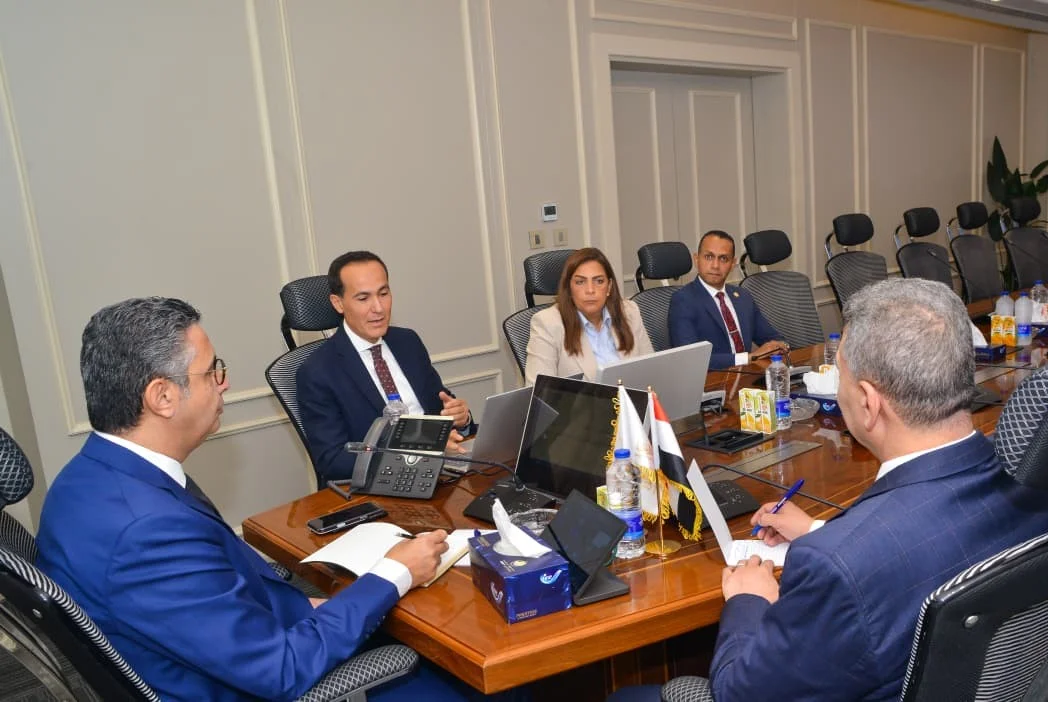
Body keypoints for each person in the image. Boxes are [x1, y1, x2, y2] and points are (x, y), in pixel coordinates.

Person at [612, 279, 1048, 702]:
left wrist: (748, 600)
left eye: (840, 375)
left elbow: (739, 693)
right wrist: (820, 530)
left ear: (867, 402)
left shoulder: (838, 566)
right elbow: (923, 540)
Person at [35, 297, 480, 701]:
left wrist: (317, 606)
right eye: (212, 370)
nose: (224, 383)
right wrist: (395, 571)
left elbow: (212, 598)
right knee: (475, 675)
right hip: (246, 681)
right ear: (162, 396)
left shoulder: (86, 480)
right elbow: (281, 670)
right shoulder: (147, 529)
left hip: (218, 648)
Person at [298, 251, 475, 485]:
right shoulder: (317, 372)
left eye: (383, 293)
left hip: (441, 474)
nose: (379, 308)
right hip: (382, 483)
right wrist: (422, 449)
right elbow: (333, 461)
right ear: (338, 303)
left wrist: (461, 418)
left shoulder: (407, 342)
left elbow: (441, 405)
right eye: (363, 298)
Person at [524, 247, 653, 384]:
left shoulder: (629, 311)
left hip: (631, 397)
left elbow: (651, 370)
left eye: (599, 281)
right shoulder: (547, 324)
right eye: (580, 282)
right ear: (569, 288)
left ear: (609, 287)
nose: (590, 290)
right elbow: (539, 392)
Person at [667, 230, 787, 370]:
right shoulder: (683, 300)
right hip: (713, 379)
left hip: (748, 376)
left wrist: (780, 346)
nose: (715, 265)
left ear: (732, 263)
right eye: (709, 257)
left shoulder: (743, 296)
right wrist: (749, 358)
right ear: (696, 259)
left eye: (723, 259)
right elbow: (691, 358)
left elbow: (772, 338)